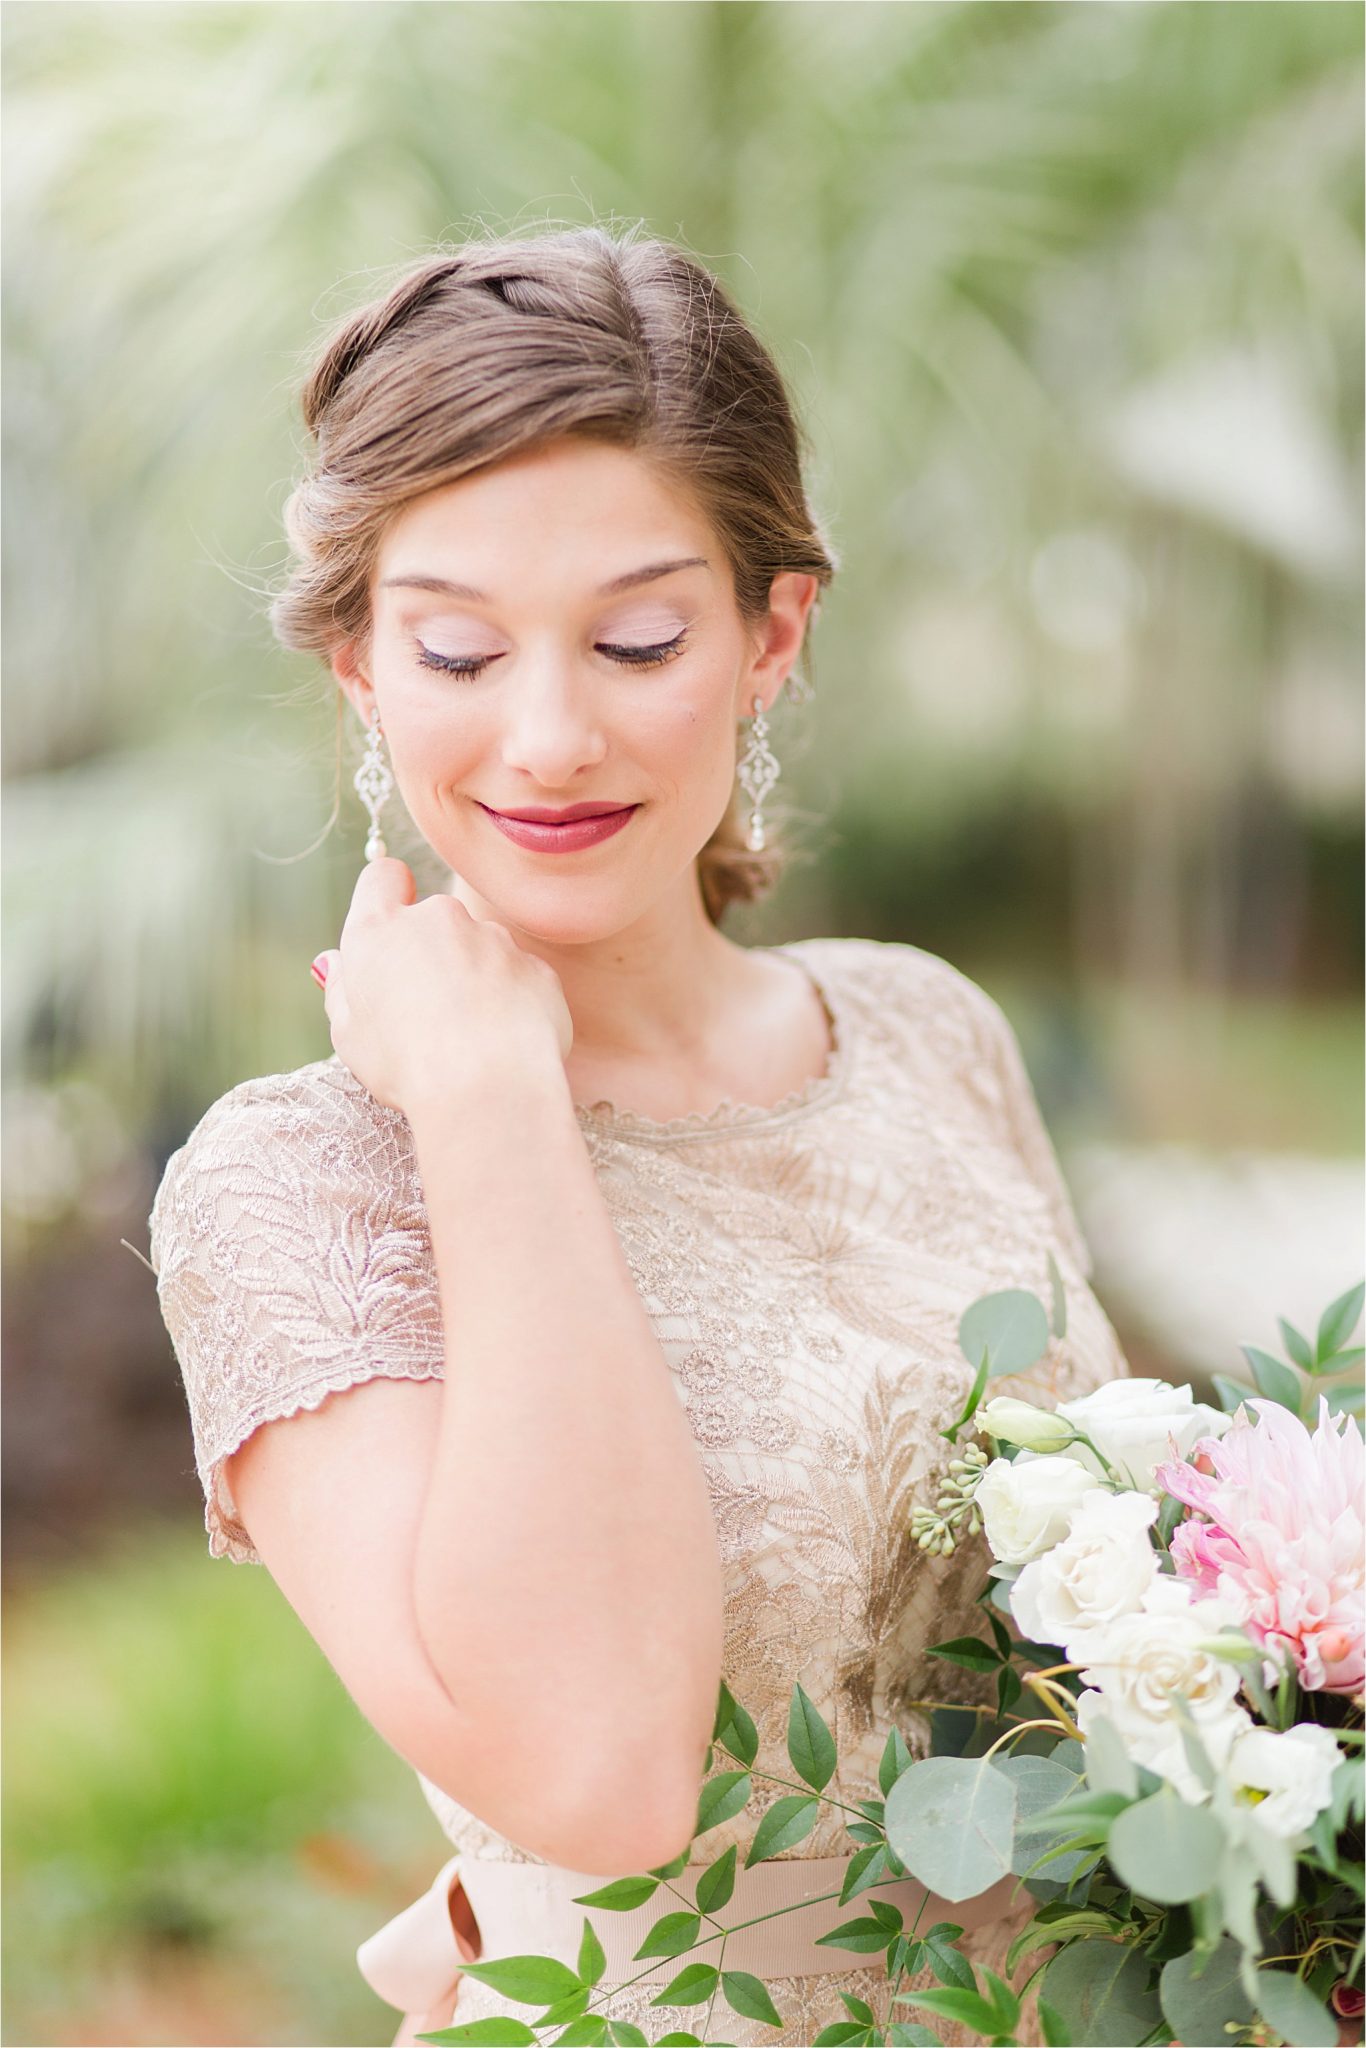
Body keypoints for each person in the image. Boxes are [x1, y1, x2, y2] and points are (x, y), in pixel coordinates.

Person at [147, 222, 1133, 2047]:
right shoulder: (294, 1188)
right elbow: (598, 1776)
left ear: (770, 635)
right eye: (455, 648)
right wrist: (491, 1097)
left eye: (634, 639)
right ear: (361, 665)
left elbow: (1139, 1616)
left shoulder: (925, 1028)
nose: (546, 736)